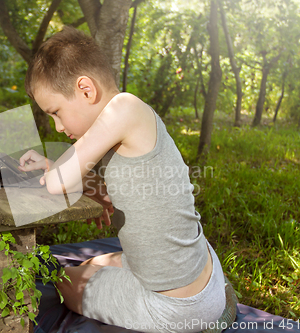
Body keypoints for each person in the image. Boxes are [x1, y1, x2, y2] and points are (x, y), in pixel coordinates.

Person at [18, 27, 226, 333]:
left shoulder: (124, 108)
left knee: (63, 281)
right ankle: (210, 301)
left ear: (86, 90)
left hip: (176, 309)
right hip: (201, 272)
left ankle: (205, 313)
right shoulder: (126, 121)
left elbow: (57, 184)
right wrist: (56, 166)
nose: (58, 127)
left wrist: (55, 173)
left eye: (56, 112)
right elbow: (135, 186)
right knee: (90, 265)